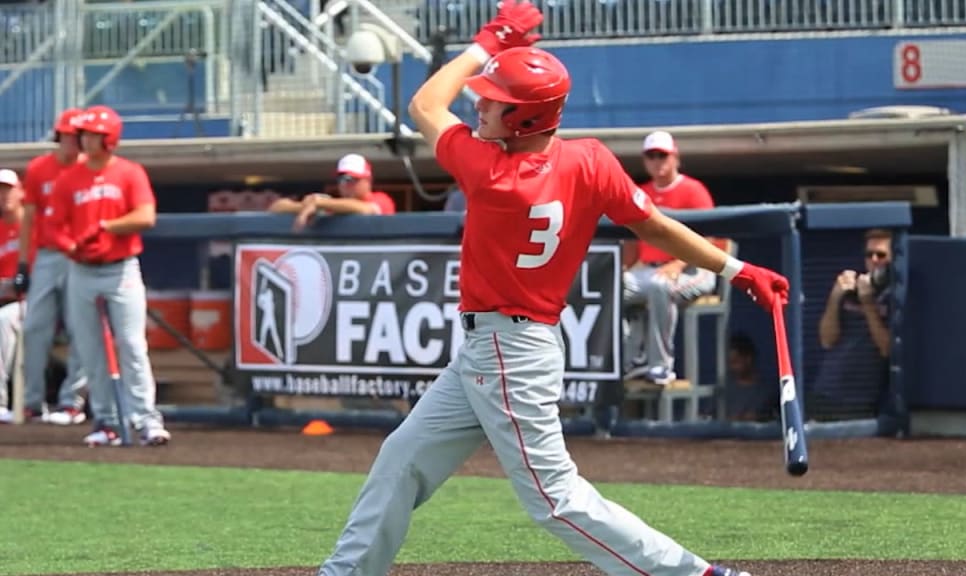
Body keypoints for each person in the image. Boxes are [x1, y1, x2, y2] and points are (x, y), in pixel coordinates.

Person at [316, 4, 787, 576]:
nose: (480, 101)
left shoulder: (491, 171)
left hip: (509, 350)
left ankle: (696, 575)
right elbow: (656, 226)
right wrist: (737, 270)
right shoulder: (589, 159)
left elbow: (423, 104)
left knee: (554, 498)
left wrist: (488, 41)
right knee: (403, 457)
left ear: (523, 120)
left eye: (494, 100)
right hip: (501, 347)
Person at [50, 105, 171, 447]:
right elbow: (53, 225)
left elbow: (146, 216)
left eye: (92, 135)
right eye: (83, 135)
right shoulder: (68, 179)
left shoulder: (129, 173)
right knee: (90, 351)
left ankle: (146, 419)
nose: (86, 141)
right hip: (82, 271)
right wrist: (70, 245)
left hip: (120, 268)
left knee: (132, 346)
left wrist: (105, 226)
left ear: (110, 139)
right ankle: (107, 421)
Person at [13, 107, 90, 425]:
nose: (72, 141)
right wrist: (22, 262)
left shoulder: (89, 169)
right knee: (33, 328)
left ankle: (72, 402)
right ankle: (32, 402)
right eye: (68, 135)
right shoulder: (39, 168)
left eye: (77, 136)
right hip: (46, 254)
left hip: (80, 255)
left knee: (80, 330)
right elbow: (28, 217)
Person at [623, 130, 718, 385]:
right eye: (651, 156)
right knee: (615, 288)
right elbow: (631, 244)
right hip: (650, 269)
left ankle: (661, 366)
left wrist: (678, 262)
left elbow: (706, 242)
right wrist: (623, 269)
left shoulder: (693, 190)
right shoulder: (640, 193)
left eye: (662, 155)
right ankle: (632, 358)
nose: (657, 161)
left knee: (659, 285)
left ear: (675, 157)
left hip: (696, 269)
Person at [812, 228, 892, 416]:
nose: (873, 260)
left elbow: (887, 348)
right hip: (826, 390)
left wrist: (868, 303)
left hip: (860, 399)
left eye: (880, 255)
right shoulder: (853, 290)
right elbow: (827, 340)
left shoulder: (893, 296)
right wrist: (835, 297)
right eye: (869, 255)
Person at [268, 153, 396, 231]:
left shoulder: (382, 199)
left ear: (367, 180)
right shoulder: (333, 205)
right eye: (341, 179)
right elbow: (276, 207)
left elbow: (365, 210)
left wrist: (320, 203)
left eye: (350, 179)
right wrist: (305, 206)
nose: (344, 184)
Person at [0, 169, 26, 423]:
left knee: (3, 321)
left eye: (8, 189)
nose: (3, 196)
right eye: (0, 191)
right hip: (7, 301)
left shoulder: (32, 225)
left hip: (35, 300)